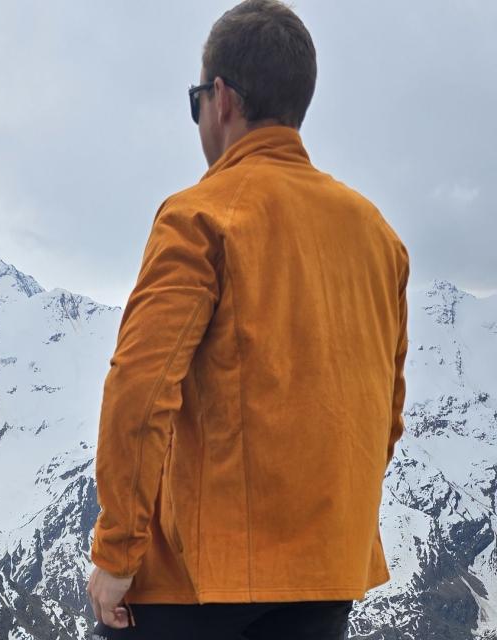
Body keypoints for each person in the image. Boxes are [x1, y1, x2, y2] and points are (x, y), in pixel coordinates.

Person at [86, 1, 410, 638]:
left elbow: (140, 389)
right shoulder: (379, 238)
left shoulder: (200, 215)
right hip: (326, 575)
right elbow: (386, 415)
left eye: (197, 101)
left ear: (223, 98)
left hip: (200, 582)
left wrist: (117, 552)